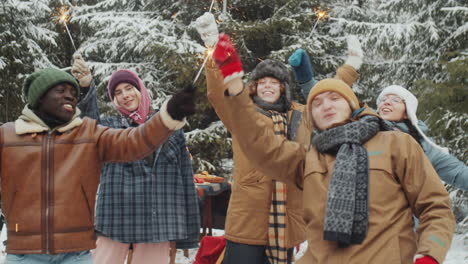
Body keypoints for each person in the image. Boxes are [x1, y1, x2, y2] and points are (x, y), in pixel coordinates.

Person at [207, 33, 455, 264]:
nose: (326, 106)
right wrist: (229, 74)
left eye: (335, 100)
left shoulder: (395, 144)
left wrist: (429, 255)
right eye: (317, 104)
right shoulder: (309, 158)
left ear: (351, 105)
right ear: (312, 116)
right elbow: (255, 139)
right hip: (253, 222)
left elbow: (435, 206)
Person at [197, 13, 363, 264]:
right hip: (247, 221)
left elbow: (330, 96)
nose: (267, 86)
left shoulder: (301, 115)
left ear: (283, 88)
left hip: (287, 221)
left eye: (274, 82)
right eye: (261, 82)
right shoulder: (242, 115)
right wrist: (213, 45)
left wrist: (351, 65)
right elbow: (219, 93)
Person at [0, 67, 195, 263]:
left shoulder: (88, 134)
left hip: (80, 251)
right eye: (61, 91)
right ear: (40, 96)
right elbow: (93, 117)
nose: (70, 96)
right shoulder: (7, 136)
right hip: (31, 250)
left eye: (73, 93)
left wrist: (167, 116)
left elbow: (135, 141)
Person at [70, 56, 201, 264]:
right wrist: (86, 88)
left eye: (129, 88)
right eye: (118, 92)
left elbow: (185, 174)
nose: (125, 96)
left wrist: (190, 227)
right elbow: (88, 125)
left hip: (159, 216)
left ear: (140, 89)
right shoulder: (109, 126)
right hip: (116, 215)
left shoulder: (168, 123)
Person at [376, 85, 468, 191]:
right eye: (383, 99)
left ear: (407, 113)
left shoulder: (422, 144)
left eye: (396, 100)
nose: (386, 102)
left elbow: (457, 172)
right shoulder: (363, 130)